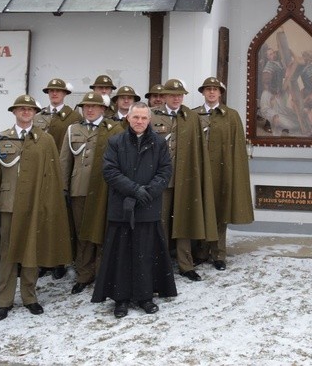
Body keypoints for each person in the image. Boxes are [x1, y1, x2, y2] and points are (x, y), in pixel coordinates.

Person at [0, 95, 72, 321]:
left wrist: (48, 205)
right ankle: (4, 300)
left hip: (35, 205)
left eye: (30, 109)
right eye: (21, 109)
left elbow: (52, 177)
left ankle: (29, 297)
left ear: (35, 113)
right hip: (9, 205)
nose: (26, 112)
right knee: (7, 253)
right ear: (14, 112)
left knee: (31, 252)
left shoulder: (45, 140)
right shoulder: (2, 138)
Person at [92, 102, 176, 317]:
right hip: (122, 208)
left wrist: (148, 192)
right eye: (136, 117)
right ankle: (121, 299)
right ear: (128, 118)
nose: (139, 122)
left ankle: (145, 297)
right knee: (121, 255)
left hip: (148, 207)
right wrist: (134, 189)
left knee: (145, 254)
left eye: (144, 118)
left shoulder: (159, 143)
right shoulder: (115, 142)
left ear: (149, 120)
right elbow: (110, 171)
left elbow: (165, 171)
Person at [150, 79, 217, 282]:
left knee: (184, 222)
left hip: (185, 178)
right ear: (165, 96)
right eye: (173, 95)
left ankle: (185, 264)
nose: (177, 98)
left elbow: (198, 150)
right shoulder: (153, 116)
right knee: (159, 222)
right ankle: (158, 263)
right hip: (161, 179)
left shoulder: (191, 117)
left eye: (180, 95)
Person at [60, 92, 123, 295]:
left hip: (104, 190)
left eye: (94, 106)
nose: (89, 109)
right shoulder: (73, 129)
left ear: (103, 109)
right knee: (82, 233)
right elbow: (64, 162)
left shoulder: (114, 129)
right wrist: (64, 188)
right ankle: (84, 273)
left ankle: (102, 273)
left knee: (103, 232)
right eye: (86, 106)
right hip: (80, 189)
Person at [191, 77, 254, 270]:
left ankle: (219, 254)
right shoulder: (194, 115)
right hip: (200, 172)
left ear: (220, 93)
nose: (211, 93)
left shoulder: (231, 116)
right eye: (208, 89)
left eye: (215, 90)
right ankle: (201, 251)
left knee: (219, 211)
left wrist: (234, 173)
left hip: (222, 171)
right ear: (203, 92)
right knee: (201, 210)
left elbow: (238, 149)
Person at [32, 77, 81, 280]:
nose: (54, 94)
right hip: (40, 173)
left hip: (61, 173)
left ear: (65, 94)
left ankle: (60, 261)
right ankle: (44, 261)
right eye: (51, 91)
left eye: (58, 91)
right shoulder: (39, 116)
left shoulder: (73, 117)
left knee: (62, 220)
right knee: (42, 218)